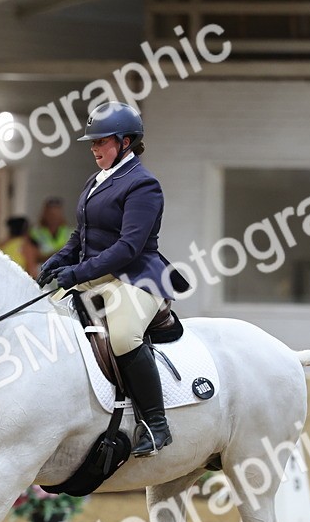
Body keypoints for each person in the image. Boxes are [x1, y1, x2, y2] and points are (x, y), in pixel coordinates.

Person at [36, 102, 190, 457]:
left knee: (123, 336)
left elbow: (128, 247)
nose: (94, 149)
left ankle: (156, 424)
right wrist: (58, 259)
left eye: (100, 142)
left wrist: (76, 273)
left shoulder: (144, 184)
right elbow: (82, 235)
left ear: (125, 142)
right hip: (95, 275)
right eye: (92, 143)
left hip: (135, 277)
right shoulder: (96, 180)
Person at [27, 196, 71, 271]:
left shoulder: (71, 233)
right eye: (50, 214)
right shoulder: (34, 233)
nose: (53, 217)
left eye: (56, 214)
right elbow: (31, 258)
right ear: (44, 214)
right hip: (42, 276)